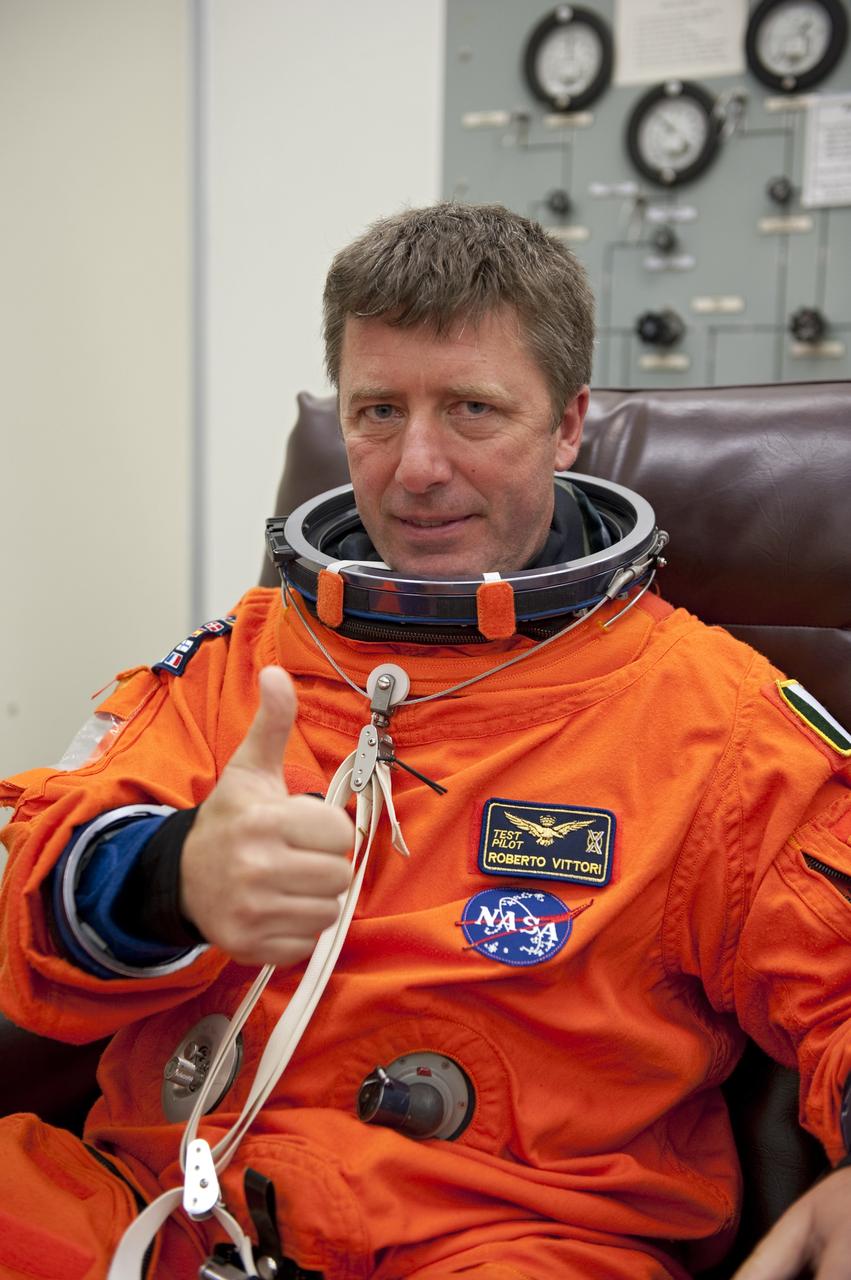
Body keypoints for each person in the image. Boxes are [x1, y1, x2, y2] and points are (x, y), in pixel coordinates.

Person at [0, 202, 850, 1280]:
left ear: (568, 422)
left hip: (509, 1238)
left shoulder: (710, 720)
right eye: (378, 410)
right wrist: (171, 875)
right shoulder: (238, 660)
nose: (415, 466)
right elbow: (39, 889)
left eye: (471, 409)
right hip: (156, 1207)